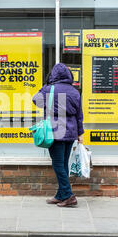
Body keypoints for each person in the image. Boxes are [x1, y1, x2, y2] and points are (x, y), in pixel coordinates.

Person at [32, 63, 84, 207]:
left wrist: (46, 85)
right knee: (63, 164)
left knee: (57, 164)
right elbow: (79, 115)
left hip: (55, 132)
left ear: (53, 75)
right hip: (71, 133)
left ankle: (68, 195)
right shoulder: (75, 91)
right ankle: (60, 195)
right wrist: (80, 133)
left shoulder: (49, 90)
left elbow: (35, 100)